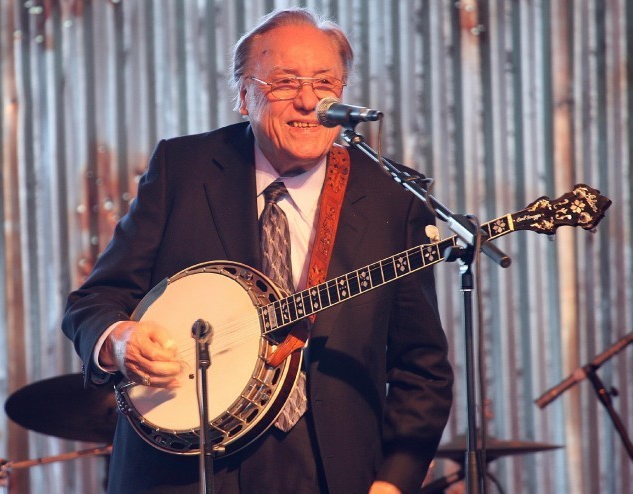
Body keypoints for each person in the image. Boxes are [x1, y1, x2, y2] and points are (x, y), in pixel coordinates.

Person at [62, 7, 453, 494]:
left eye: (325, 82)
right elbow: (93, 303)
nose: (309, 101)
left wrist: (394, 481)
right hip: (188, 468)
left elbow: (423, 367)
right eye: (286, 83)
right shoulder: (184, 170)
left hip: (332, 471)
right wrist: (116, 340)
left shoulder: (393, 196)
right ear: (245, 96)